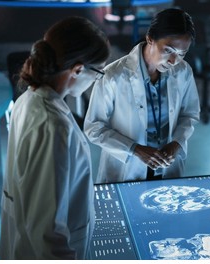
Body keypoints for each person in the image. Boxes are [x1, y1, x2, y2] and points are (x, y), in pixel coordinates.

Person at [0, 16, 110, 259]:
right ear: (78, 69)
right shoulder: (52, 124)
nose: (97, 80)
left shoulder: (30, 98)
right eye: (98, 72)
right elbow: (46, 232)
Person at [84, 8, 200, 183]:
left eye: (182, 54)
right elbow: (94, 128)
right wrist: (135, 149)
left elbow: (189, 115)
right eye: (168, 50)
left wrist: (176, 143)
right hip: (126, 169)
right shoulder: (113, 75)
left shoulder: (183, 71)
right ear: (150, 38)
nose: (173, 61)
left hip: (167, 167)